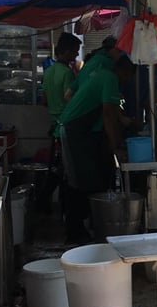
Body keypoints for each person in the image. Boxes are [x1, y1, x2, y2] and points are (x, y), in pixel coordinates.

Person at [59, 55, 137, 243]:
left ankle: (84, 227)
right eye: (129, 77)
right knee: (79, 181)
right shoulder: (110, 78)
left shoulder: (102, 74)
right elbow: (108, 113)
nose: (127, 81)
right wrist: (115, 145)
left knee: (87, 180)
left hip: (81, 130)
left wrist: (124, 121)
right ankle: (74, 232)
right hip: (73, 130)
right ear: (124, 72)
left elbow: (113, 110)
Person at [42, 32, 81, 131]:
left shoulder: (48, 71)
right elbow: (70, 100)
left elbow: (44, 99)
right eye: (76, 51)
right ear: (67, 51)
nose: (77, 54)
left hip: (54, 123)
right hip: (67, 122)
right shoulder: (67, 73)